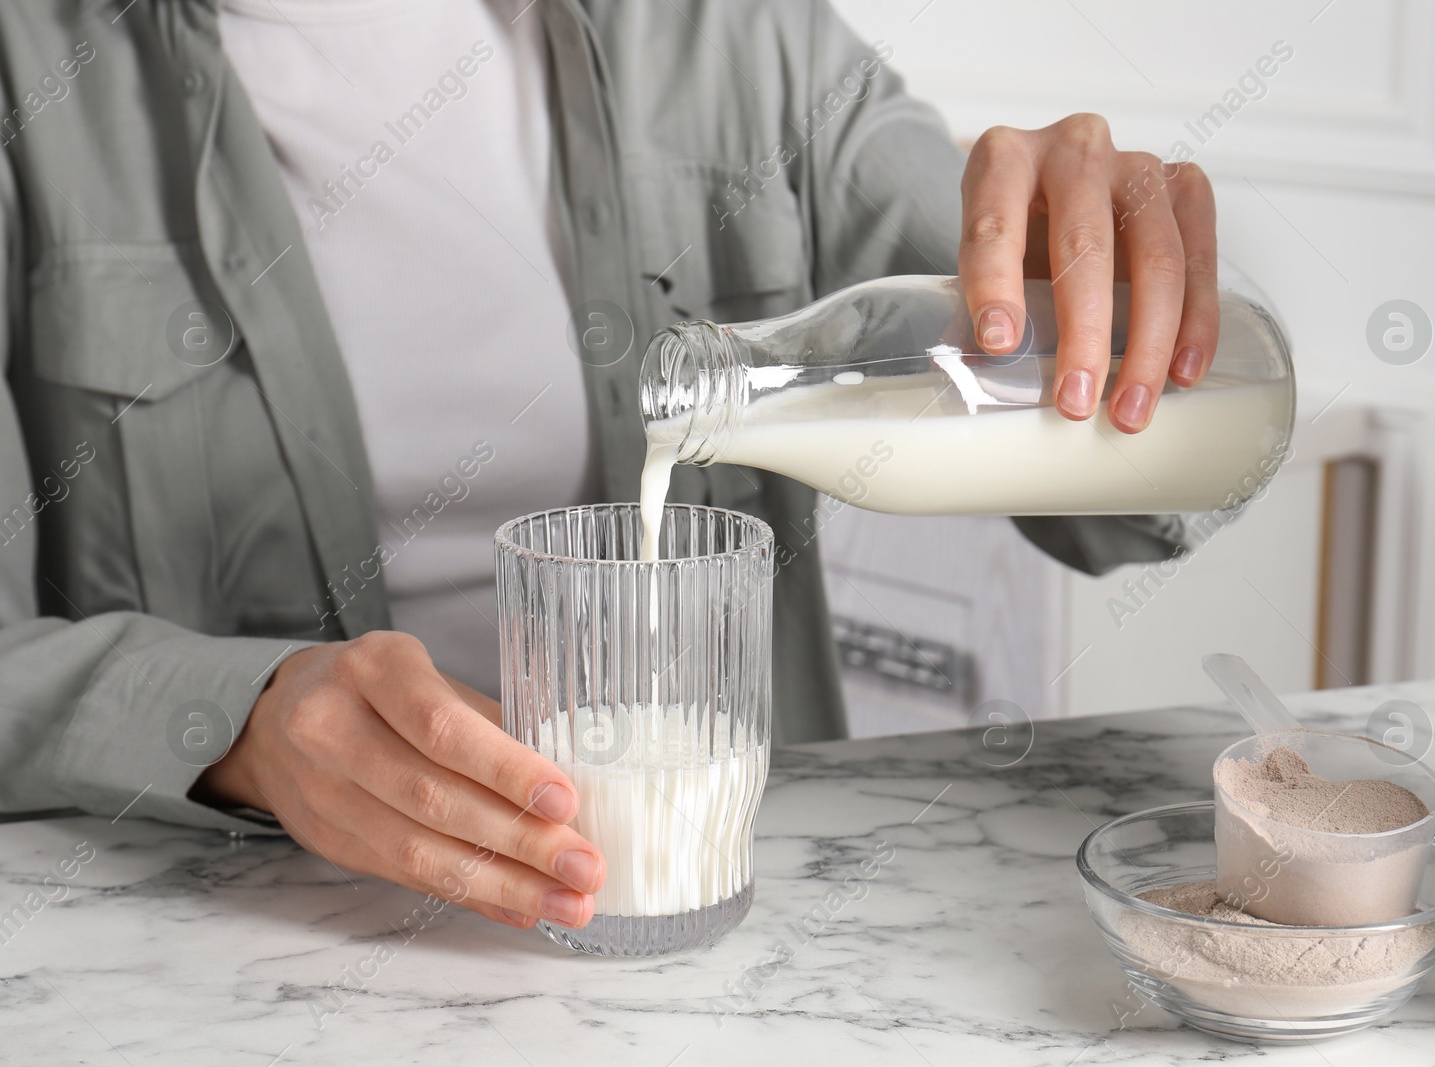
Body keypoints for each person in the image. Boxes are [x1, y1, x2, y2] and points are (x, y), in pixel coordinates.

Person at [0, 0, 1214, 933]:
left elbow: (1127, 477)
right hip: (226, 943)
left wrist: (1121, 295)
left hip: (721, 936)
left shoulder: (729, 36)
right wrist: (244, 720)